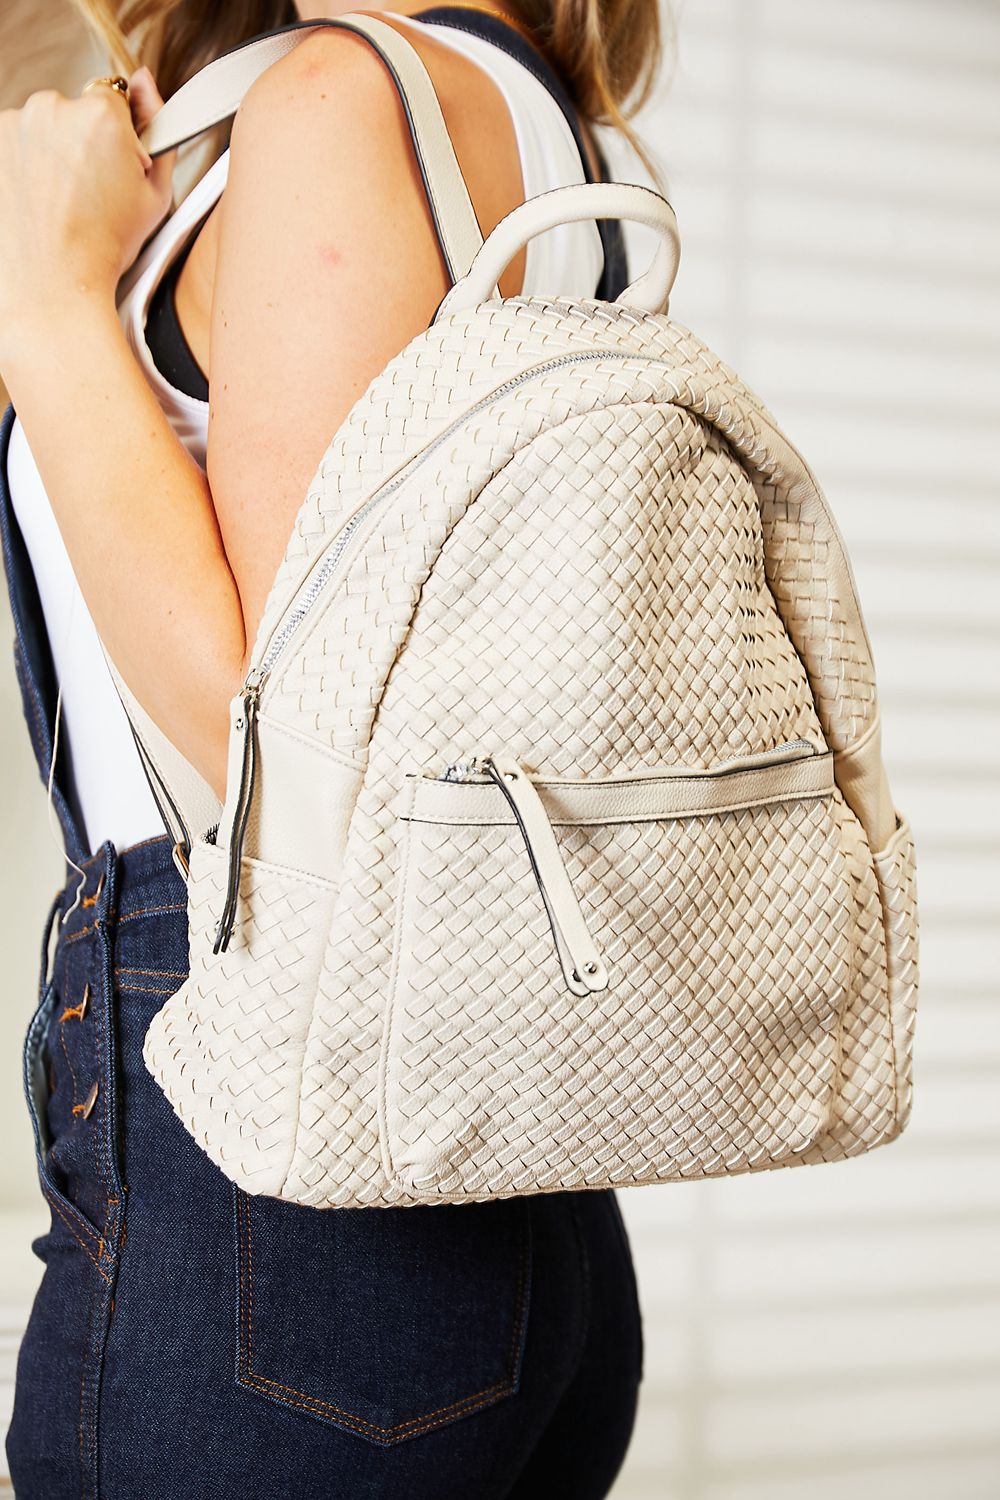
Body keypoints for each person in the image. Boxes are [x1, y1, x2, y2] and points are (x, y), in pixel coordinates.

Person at [0, 3, 661, 1494]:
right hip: (510, 1184)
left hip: (268, 1201)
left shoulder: (342, 99)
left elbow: (274, 736)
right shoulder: (538, 129)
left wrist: (45, 305)